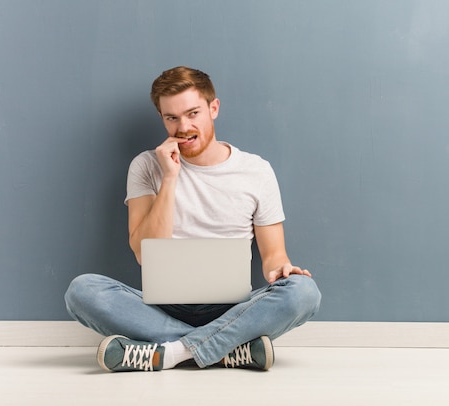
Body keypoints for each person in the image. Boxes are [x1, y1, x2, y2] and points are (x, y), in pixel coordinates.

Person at [64, 66, 321, 372]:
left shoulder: (257, 170)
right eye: (171, 117)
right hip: (161, 308)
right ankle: (227, 351)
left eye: (193, 113)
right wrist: (170, 178)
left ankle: (171, 352)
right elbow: (145, 252)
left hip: (235, 310)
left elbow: (274, 256)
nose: (183, 127)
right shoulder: (146, 166)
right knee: (82, 291)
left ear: (213, 108)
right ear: (162, 117)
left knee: (304, 292)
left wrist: (281, 269)